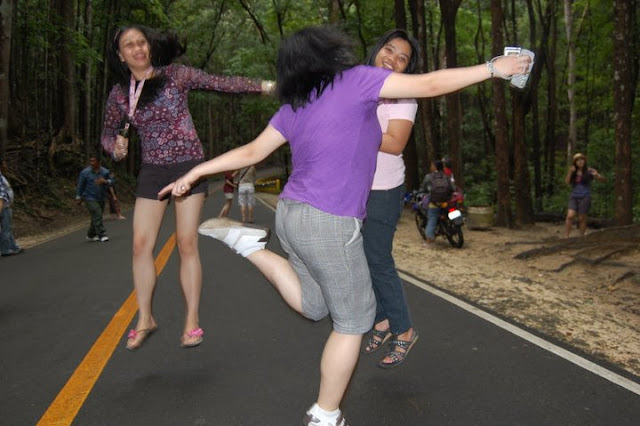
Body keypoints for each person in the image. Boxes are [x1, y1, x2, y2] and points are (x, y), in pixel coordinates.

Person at [159, 25, 530, 426]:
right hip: (329, 221)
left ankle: (248, 245)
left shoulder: (296, 105)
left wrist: (198, 171)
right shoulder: (357, 80)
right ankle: (325, 414)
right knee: (354, 321)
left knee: (314, 305)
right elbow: (432, 83)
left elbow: (251, 151)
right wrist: (493, 67)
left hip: (292, 216)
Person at [101, 24, 274, 350]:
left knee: (186, 243)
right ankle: (145, 318)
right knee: (140, 245)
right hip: (152, 170)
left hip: (189, 167)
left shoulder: (175, 75)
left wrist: (266, 86)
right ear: (121, 56)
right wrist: (115, 148)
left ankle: (192, 320)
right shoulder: (120, 94)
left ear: (149, 48)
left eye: (142, 43)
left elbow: (221, 83)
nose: (138, 48)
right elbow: (108, 134)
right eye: (129, 45)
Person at [360, 29, 420, 369]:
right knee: (362, 259)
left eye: (402, 58)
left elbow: (395, 143)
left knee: (378, 259)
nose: (393, 59)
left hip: (383, 189)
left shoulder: (404, 97)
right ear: (376, 49)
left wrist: (353, 126)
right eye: (389, 50)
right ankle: (382, 320)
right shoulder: (358, 85)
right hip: (355, 188)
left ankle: (405, 329)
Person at [564, 152, 605, 238]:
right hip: (574, 196)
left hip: (585, 196)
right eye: (578, 160)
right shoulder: (573, 171)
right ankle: (566, 236)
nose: (580, 162)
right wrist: (570, 172)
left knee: (582, 218)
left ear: (584, 161)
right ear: (575, 162)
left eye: (582, 159)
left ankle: (581, 236)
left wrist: (597, 175)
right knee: (570, 216)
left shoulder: (589, 171)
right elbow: (567, 182)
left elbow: (603, 180)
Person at [75, 155, 112, 242]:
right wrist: (78, 197)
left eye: (93, 161)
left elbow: (111, 181)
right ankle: (102, 235)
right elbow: (80, 185)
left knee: (96, 217)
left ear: (98, 162)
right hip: (89, 197)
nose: (91, 163)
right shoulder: (85, 173)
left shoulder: (105, 172)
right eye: (90, 161)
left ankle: (91, 235)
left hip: (101, 197)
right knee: (97, 213)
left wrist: (105, 181)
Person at [421, 160, 456, 245]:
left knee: (432, 218)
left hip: (435, 202)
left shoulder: (429, 177)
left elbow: (424, 188)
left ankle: (429, 240)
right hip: (447, 201)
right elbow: (453, 188)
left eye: (432, 165)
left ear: (435, 167)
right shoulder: (447, 176)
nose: (431, 167)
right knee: (453, 210)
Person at [0, 155, 24, 257]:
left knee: (8, 228)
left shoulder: (1, 176)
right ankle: (6, 249)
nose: (6, 166)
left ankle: (13, 246)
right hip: (3, 207)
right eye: (4, 164)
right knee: (5, 229)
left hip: (5, 206)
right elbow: (1, 195)